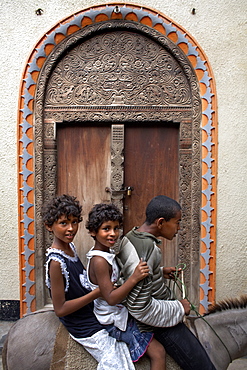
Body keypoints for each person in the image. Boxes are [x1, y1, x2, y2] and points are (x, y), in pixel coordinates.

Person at [116, 195, 216, 370]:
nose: (178, 228)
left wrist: (159, 272)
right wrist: (179, 307)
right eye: (177, 222)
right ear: (161, 222)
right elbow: (140, 307)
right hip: (152, 324)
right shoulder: (148, 250)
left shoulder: (131, 236)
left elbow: (133, 274)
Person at [43, 194, 136, 370]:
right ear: (49, 226)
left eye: (74, 222)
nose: (71, 228)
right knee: (116, 363)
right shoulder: (56, 263)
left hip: (90, 312)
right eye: (64, 223)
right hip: (81, 324)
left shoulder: (69, 248)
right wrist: (96, 293)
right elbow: (60, 309)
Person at [85, 203, 166, 370]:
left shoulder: (107, 254)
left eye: (116, 228)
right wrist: (134, 278)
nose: (113, 234)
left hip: (118, 312)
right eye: (106, 229)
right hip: (111, 320)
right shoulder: (99, 261)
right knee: (158, 352)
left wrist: (162, 272)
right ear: (93, 232)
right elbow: (111, 298)